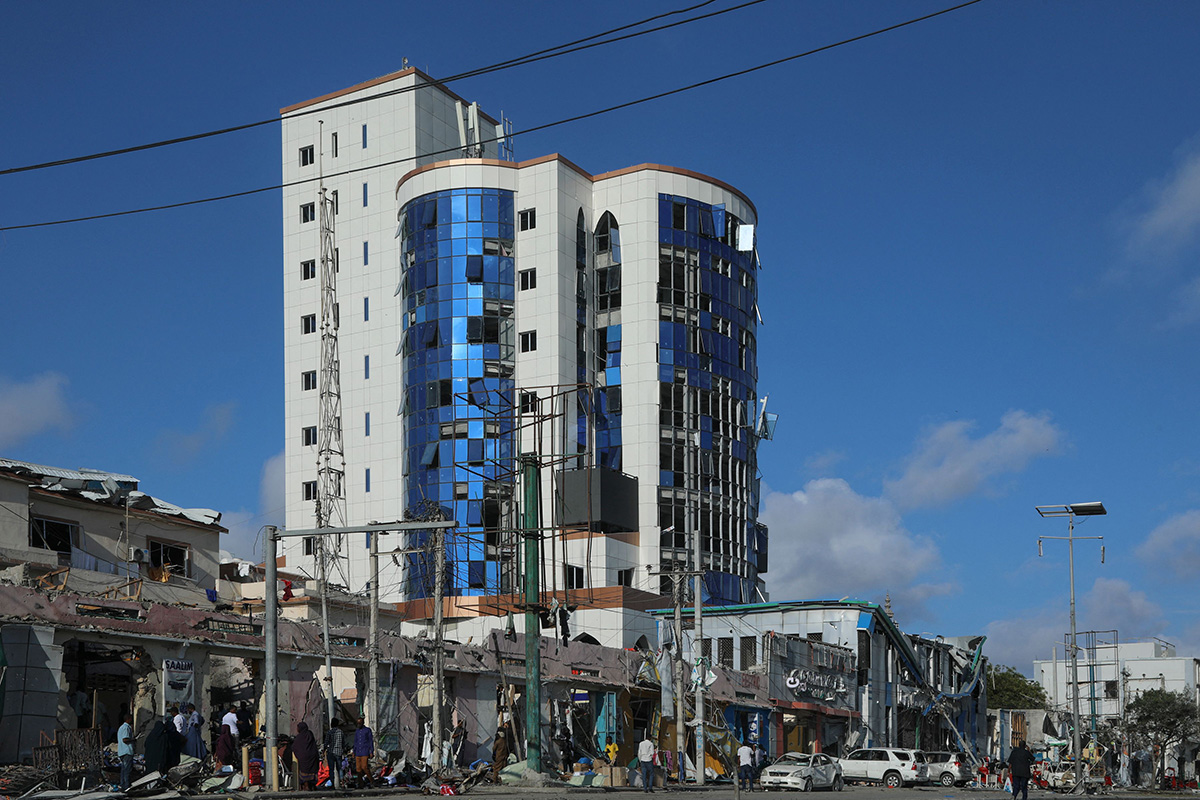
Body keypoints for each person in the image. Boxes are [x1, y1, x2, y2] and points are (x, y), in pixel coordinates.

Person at [293, 721, 321, 790]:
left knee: (304, 771)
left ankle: (306, 785)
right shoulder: (310, 734)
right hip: (313, 756)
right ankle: (312, 785)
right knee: (313, 770)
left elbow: (294, 747)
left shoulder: (299, 737)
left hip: (303, 757)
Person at [353, 716, 374, 784]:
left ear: (363, 723)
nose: (358, 724)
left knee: (364, 767)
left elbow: (370, 741)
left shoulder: (367, 730)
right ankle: (360, 783)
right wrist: (354, 751)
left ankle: (371, 781)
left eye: (360, 723)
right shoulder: (357, 731)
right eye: (358, 723)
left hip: (365, 751)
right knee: (358, 769)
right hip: (358, 752)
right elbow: (355, 742)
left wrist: (371, 751)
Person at [324, 719, 346, 787]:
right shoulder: (341, 732)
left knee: (331, 769)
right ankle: (342, 782)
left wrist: (324, 749)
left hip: (331, 752)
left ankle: (332, 783)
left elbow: (326, 742)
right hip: (339, 752)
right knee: (340, 768)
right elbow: (343, 743)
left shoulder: (329, 732)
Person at [117, 713, 135, 790]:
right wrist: (133, 739)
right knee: (127, 770)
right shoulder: (126, 728)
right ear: (128, 719)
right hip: (127, 751)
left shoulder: (122, 727)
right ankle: (126, 786)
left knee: (124, 770)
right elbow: (125, 739)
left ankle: (123, 785)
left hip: (122, 751)